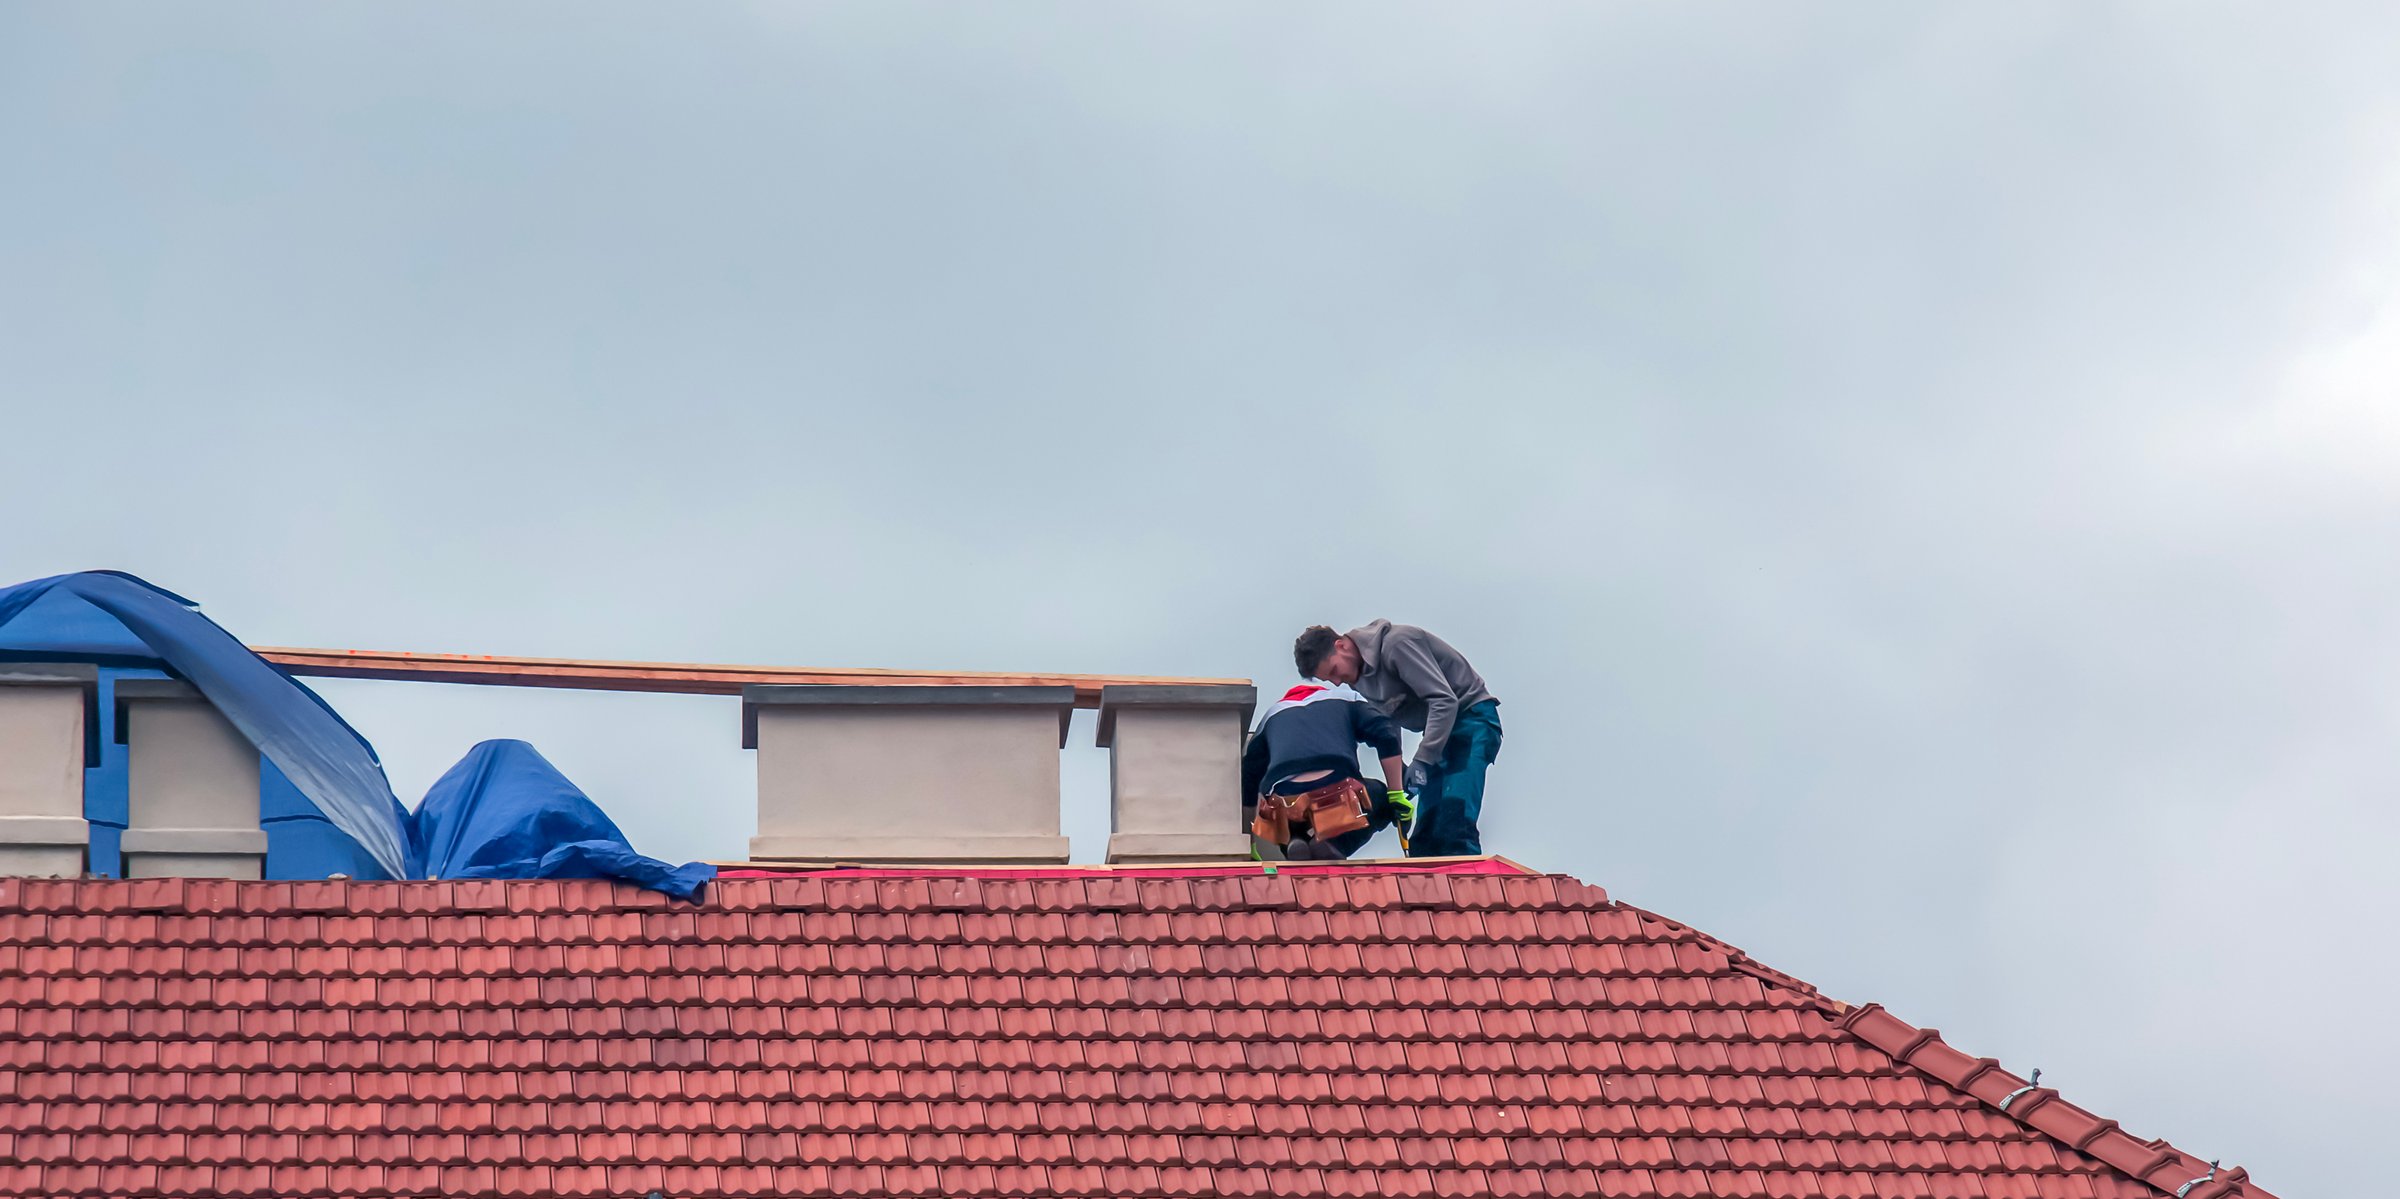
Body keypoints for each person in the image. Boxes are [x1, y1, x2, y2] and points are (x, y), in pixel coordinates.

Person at [1293, 620, 1500, 857]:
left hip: (1471, 721)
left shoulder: (1397, 645)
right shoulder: (1359, 677)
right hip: (1440, 736)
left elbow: (1444, 701)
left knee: (1454, 823)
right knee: (1426, 839)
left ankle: (1472, 887)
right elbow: (1388, 721)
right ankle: (1433, 890)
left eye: (1333, 671)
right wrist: (1398, 777)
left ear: (1341, 646)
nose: (1337, 682)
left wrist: (1422, 761)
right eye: (1329, 680)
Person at [1239, 680, 1411, 861]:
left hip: (1286, 805)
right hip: (1339, 791)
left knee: (1286, 808)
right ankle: (1334, 844)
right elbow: (1386, 734)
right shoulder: (1346, 699)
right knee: (1380, 797)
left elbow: (1247, 780)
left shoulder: (1270, 717)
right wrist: (1396, 793)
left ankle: (1295, 841)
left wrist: (1248, 844)